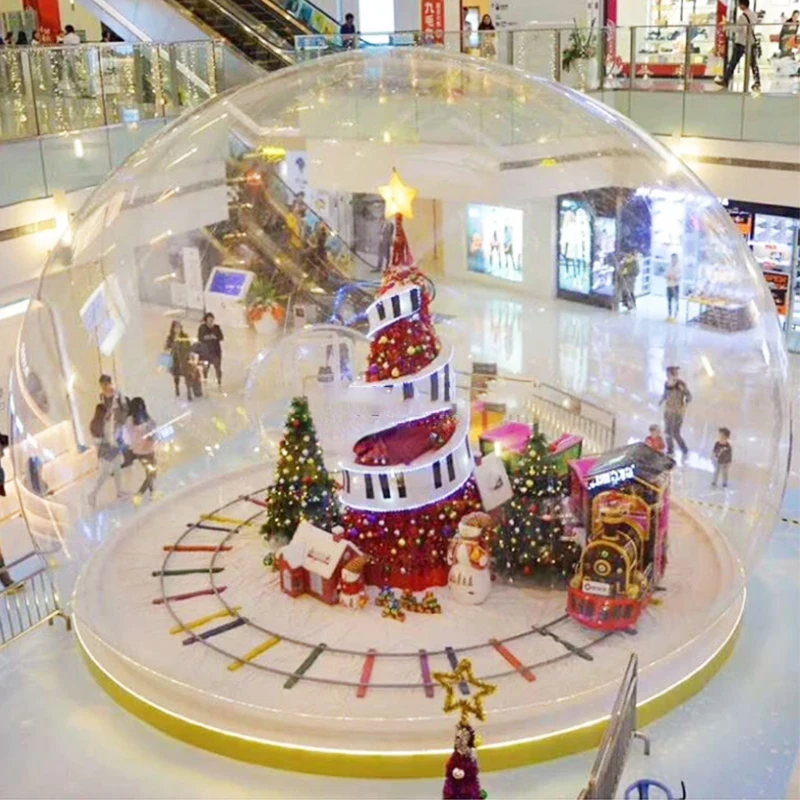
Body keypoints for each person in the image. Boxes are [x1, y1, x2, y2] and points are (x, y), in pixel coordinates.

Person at [715, 0, 760, 91]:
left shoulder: (742, 16)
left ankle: (726, 80)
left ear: (742, 5)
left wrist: (728, 26)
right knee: (753, 63)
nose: (739, 6)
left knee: (733, 62)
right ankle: (757, 81)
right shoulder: (754, 15)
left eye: (740, 4)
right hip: (751, 42)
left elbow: (739, 29)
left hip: (741, 42)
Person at [87, 402, 125, 506]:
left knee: (116, 469)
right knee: (105, 473)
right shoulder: (97, 424)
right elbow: (100, 440)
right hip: (107, 450)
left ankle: (119, 490)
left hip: (109, 449)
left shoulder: (101, 423)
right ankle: (93, 494)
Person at [124, 397, 157, 502]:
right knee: (151, 473)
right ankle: (140, 494)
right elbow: (147, 428)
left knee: (150, 473)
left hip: (142, 449)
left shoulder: (133, 419)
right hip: (145, 449)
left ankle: (152, 492)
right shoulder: (135, 419)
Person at [659, 366, 692, 457]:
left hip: (677, 413)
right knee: (667, 432)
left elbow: (689, 396)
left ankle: (683, 448)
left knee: (675, 432)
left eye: (670, 374)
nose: (669, 376)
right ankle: (670, 449)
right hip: (668, 411)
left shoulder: (681, 385)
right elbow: (665, 394)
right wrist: (662, 400)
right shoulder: (667, 384)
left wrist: (684, 405)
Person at [165, 321, 195, 400]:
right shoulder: (170, 337)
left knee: (187, 375)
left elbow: (189, 346)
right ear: (173, 328)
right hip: (175, 359)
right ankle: (177, 387)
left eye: (179, 327)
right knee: (176, 374)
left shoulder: (184, 336)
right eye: (176, 327)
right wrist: (171, 347)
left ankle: (189, 391)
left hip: (184, 358)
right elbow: (166, 347)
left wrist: (189, 355)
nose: (177, 329)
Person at [197, 312, 224, 388]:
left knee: (217, 367)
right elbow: (200, 338)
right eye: (209, 320)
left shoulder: (216, 328)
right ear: (206, 320)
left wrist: (215, 337)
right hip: (206, 352)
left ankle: (219, 382)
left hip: (216, 351)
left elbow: (221, 337)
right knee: (206, 367)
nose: (210, 322)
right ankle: (205, 379)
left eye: (212, 320)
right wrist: (207, 337)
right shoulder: (202, 328)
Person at [666, 253, 682, 321]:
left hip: (675, 286)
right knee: (669, 300)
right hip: (669, 285)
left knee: (676, 301)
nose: (673, 260)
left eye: (674, 258)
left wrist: (674, 277)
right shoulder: (669, 265)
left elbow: (679, 276)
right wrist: (668, 276)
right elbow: (666, 274)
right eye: (672, 258)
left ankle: (675, 316)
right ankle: (669, 315)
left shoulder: (679, 267)